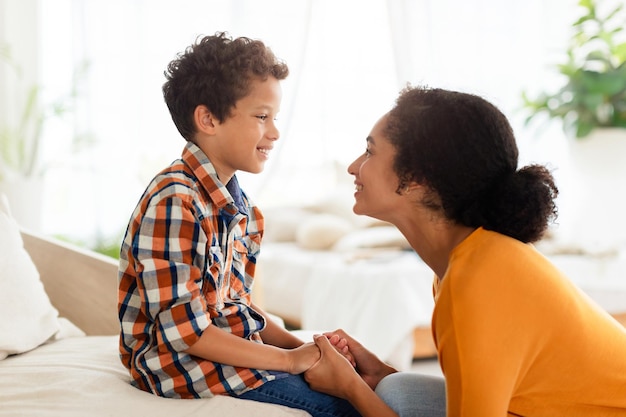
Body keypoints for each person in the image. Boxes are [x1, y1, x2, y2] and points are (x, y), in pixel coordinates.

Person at [303, 85, 626, 416]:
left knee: (387, 397)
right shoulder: (464, 264)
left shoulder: (479, 279)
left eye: (370, 152)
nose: (354, 167)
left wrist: (351, 387)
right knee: (395, 389)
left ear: (415, 177)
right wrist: (377, 375)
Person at [117, 32, 359, 417]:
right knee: (344, 407)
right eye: (262, 117)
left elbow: (236, 307)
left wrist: (303, 346)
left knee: (358, 383)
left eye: (275, 118)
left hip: (222, 359)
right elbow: (187, 332)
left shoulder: (241, 207)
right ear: (208, 119)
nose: (275, 132)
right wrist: (292, 361)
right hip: (180, 371)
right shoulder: (175, 201)